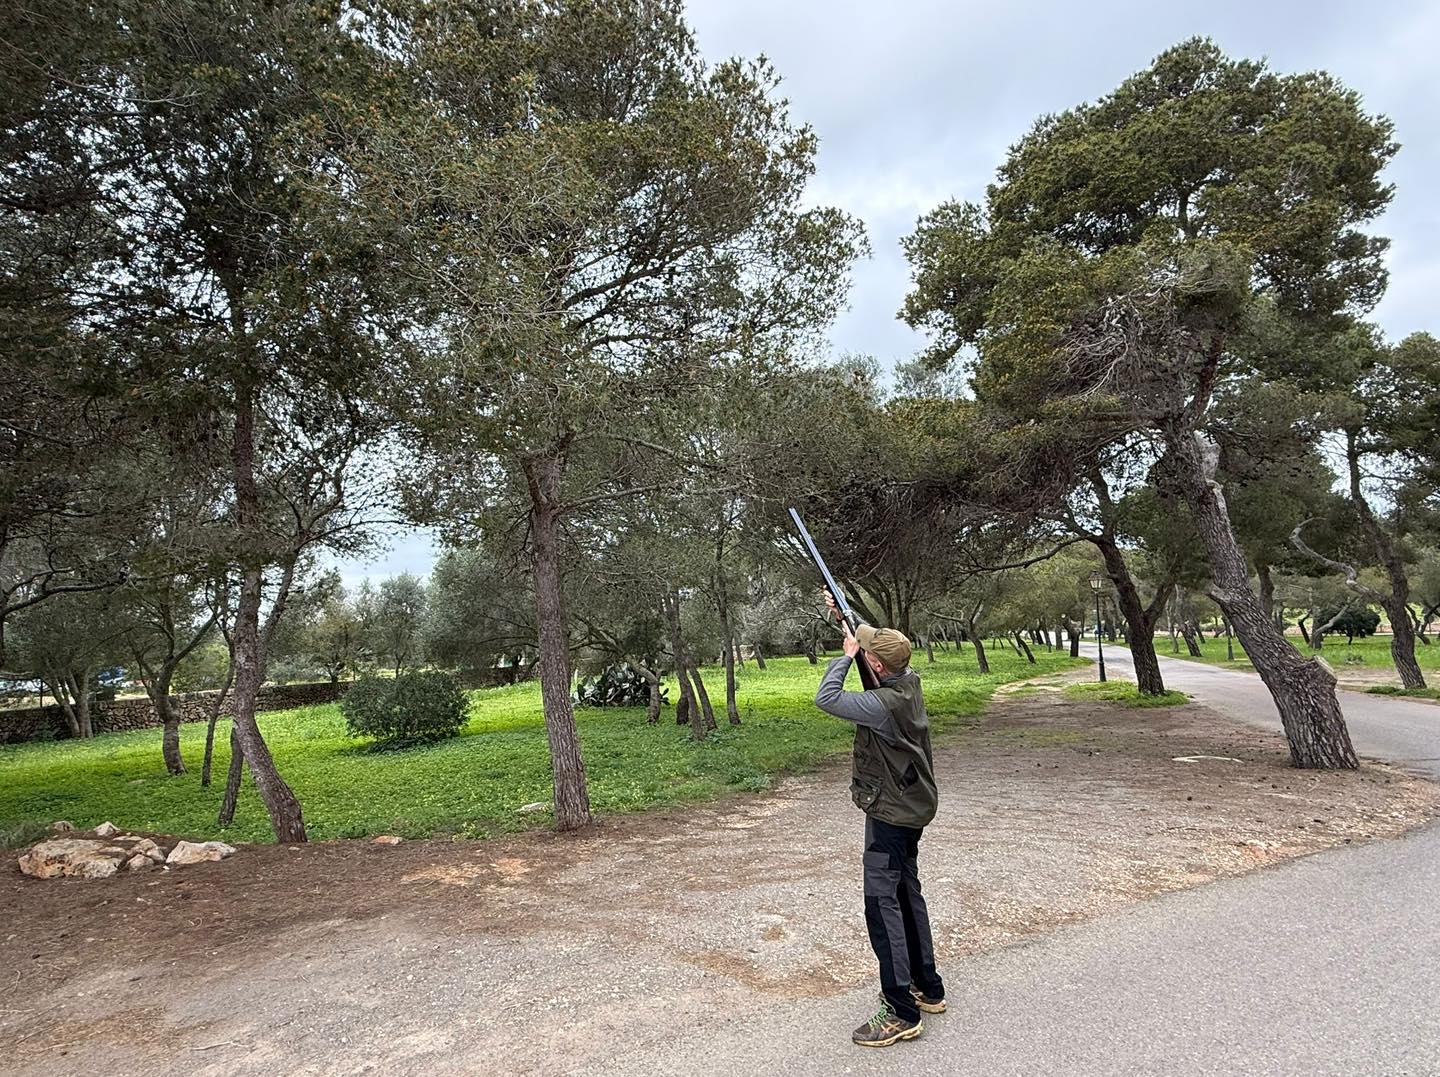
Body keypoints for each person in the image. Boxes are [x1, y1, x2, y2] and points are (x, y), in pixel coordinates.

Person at [815, 592, 945, 1048]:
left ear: (875, 665)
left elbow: (827, 698)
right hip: (912, 805)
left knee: (881, 903)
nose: (862, 649)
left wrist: (845, 656)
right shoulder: (908, 679)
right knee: (907, 892)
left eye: (866, 652)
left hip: (891, 811)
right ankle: (928, 987)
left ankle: (900, 1010)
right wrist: (842, 614)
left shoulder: (882, 704)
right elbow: (876, 651)